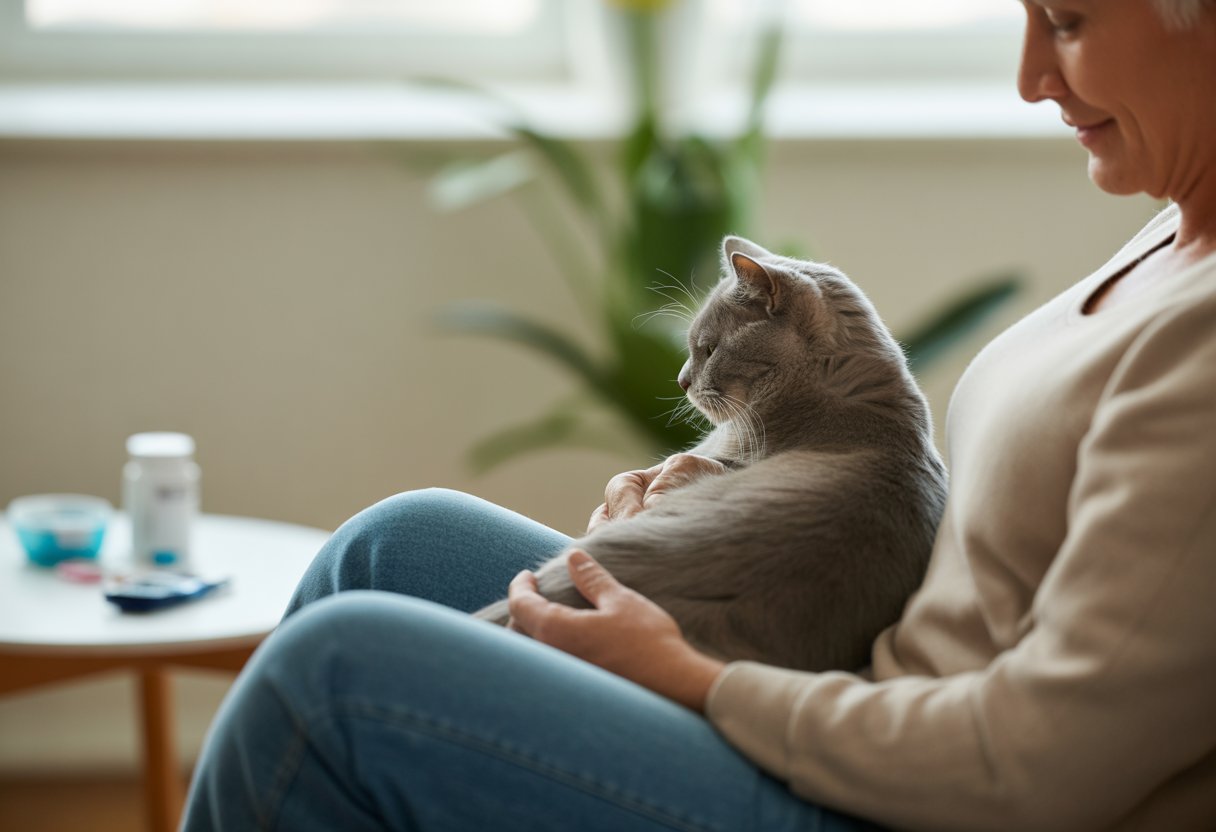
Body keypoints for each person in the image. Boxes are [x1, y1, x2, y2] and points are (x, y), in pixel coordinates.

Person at [181, 0, 1216, 829]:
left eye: (1067, 23)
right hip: (863, 696)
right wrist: (731, 497)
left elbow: (1038, 767)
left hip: (901, 795)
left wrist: (692, 677)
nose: (1029, 76)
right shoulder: (1169, 236)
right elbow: (1010, 557)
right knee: (392, 547)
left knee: (339, 680)